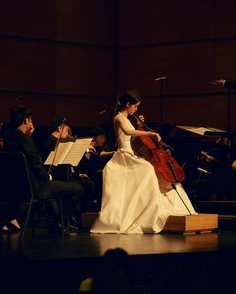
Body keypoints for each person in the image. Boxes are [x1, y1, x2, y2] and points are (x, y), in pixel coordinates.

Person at [90, 90, 196, 234]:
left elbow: (135, 137)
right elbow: (128, 132)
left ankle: (147, 208)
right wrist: (149, 132)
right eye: (135, 106)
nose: (136, 109)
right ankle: (147, 210)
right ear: (128, 104)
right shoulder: (118, 118)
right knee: (147, 169)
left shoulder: (128, 118)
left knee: (149, 168)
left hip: (132, 153)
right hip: (124, 155)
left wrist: (141, 124)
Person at [3, 105, 85, 234]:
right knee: (77, 189)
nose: (31, 122)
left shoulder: (7, 139)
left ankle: (58, 223)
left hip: (14, 189)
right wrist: (47, 176)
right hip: (34, 188)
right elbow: (36, 166)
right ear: (26, 121)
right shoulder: (26, 140)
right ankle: (59, 224)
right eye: (30, 120)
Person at [42, 116, 96, 213]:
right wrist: (84, 147)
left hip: (64, 177)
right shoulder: (51, 142)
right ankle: (76, 215)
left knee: (89, 184)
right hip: (56, 179)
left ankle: (82, 216)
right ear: (59, 128)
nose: (68, 135)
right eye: (67, 131)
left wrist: (77, 174)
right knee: (86, 186)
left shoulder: (58, 142)